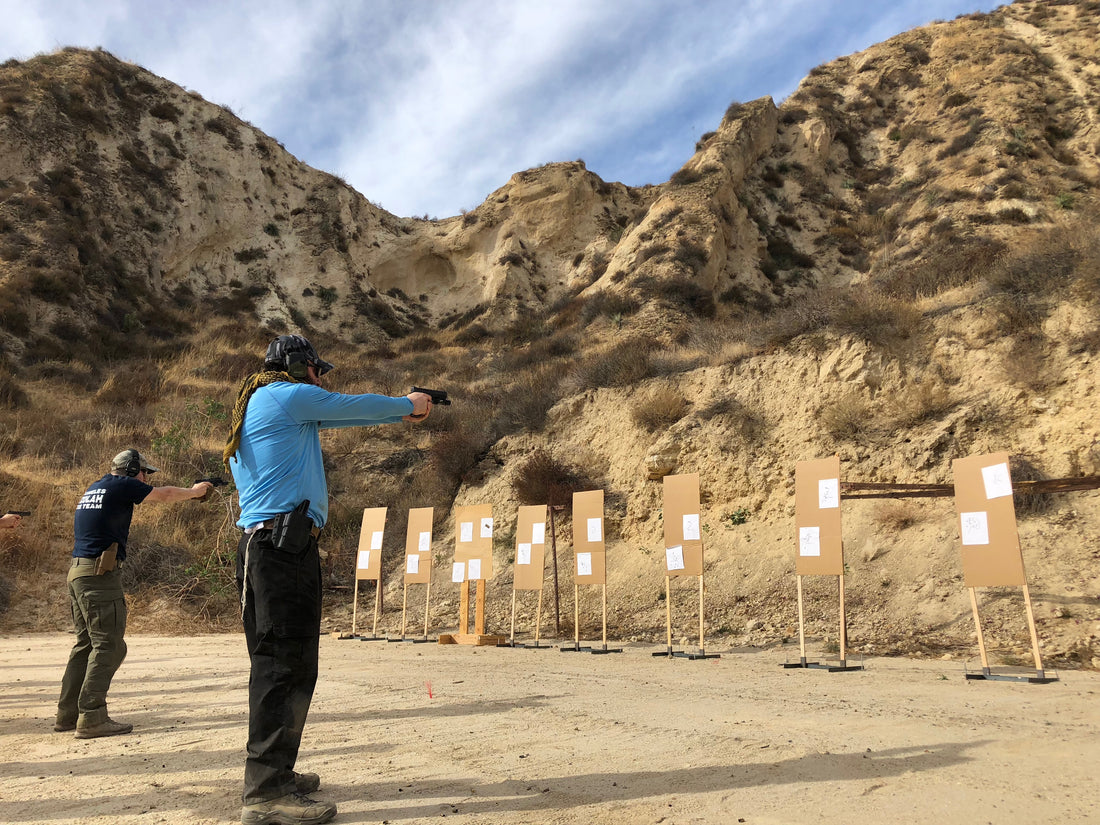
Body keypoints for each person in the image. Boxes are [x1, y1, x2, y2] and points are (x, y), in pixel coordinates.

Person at [225, 334, 431, 825]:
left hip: (273, 546)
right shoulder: (283, 395)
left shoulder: (258, 403)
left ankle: (276, 774)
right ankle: (267, 793)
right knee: (283, 667)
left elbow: (340, 408)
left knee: (288, 665)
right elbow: (348, 405)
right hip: (280, 549)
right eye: (317, 370)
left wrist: (399, 411)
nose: (321, 379)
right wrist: (409, 404)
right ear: (298, 367)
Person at [55, 450, 213, 739]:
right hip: (98, 575)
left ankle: (69, 714)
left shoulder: (95, 487)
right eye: (143, 473)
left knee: (86, 644)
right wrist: (194, 491)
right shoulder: (121, 485)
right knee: (110, 646)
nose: (145, 478)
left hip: (79, 573)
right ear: (130, 470)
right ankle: (91, 716)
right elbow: (163, 495)